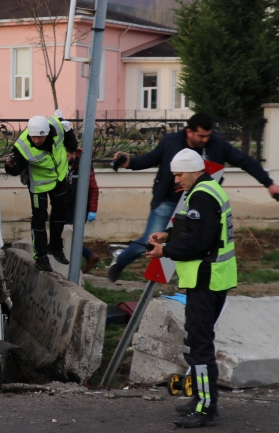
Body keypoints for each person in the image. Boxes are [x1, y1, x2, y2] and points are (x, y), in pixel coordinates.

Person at [108, 112, 279, 282]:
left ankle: (192, 279)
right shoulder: (170, 142)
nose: (205, 139)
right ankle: (121, 261)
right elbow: (150, 159)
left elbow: (245, 161)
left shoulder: (217, 145)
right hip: (167, 202)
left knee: (195, 242)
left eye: (208, 135)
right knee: (150, 240)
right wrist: (129, 163)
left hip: (198, 204)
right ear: (189, 131)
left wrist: (269, 184)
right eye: (201, 136)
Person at [146, 148, 236, 428]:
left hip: (206, 279)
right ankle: (200, 399)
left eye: (179, 173)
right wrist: (169, 234)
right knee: (195, 342)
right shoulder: (208, 188)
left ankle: (206, 408)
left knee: (199, 346)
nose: (176, 179)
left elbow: (200, 243)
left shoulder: (202, 195)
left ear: (195, 170)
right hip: (211, 278)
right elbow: (197, 229)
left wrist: (166, 250)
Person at [5, 112, 81, 272]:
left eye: (41, 137)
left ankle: (55, 246)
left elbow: (67, 129)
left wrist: (73, 146)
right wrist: (11, 166)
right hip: (38, 183)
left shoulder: (56, 127)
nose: (37, 140)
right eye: (34, 137)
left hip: (59, 176)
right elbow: (16, 167)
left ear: (47, 132)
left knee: (60, 211)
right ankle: (40, 256)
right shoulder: (22, 145)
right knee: (40, 217)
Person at [65, 151, 101, 273]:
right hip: (67, 207)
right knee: (67, 237)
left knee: (71, 238)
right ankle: (88, 256)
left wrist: (92, 210)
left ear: (74, 154)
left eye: (67, 155)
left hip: (79, 209)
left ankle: (88, 257)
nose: (65, 157)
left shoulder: (84, 168)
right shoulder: (68, 167)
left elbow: (94, 190)